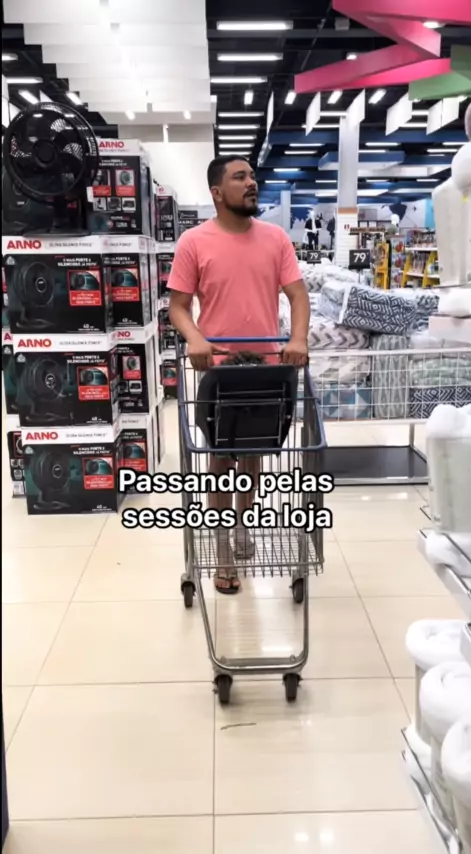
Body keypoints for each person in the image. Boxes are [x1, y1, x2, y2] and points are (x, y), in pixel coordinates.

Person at [168, 154, 310, 594]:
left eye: (252, 176)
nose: (252, 182)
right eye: (240, 177)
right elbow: (178, 307)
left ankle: (243, 524)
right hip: (220, 370)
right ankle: (222, 545)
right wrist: (195, 338)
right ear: (217, 192)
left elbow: (298, 296)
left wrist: (298, 338)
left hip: (267, 369)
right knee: (220, 455)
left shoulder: (275, 238)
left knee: (254, 453)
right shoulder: (193, 242)